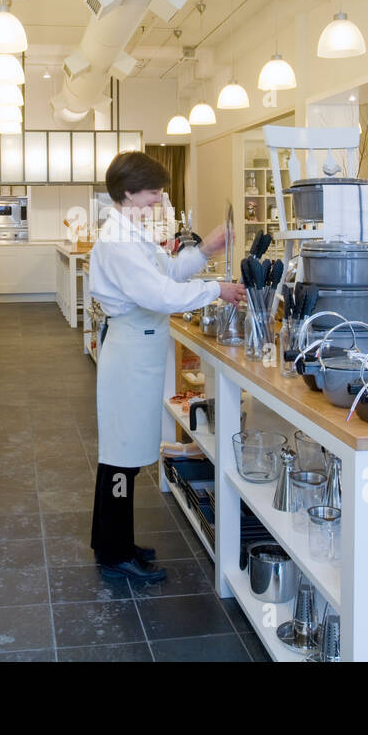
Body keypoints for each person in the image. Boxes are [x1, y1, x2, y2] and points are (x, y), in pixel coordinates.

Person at [87, 151, 245, 581]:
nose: (158, 199)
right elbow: (159, 295)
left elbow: (169, 272)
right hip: (129, 354)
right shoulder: (118, 242)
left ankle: (115, 543)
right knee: (120, 456)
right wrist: (215, 289)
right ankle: (114, 552)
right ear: (128, 193)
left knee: (125, 453)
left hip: (136, 350)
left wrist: (206, 250)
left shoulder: (130, 232)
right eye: (153, 191)